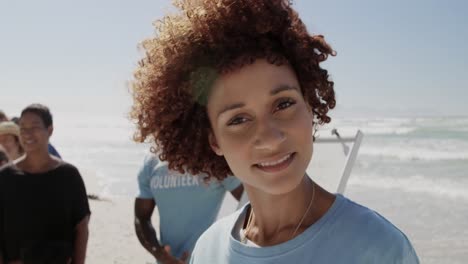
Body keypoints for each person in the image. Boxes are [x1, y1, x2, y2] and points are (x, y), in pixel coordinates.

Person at [129, 0, 420, 263]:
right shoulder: (208, 252)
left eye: (283, 104)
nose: (270, 138)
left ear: (309, 103)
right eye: (238, 119)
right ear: (214, 140)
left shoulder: (380, 250)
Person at [0, 104, 90, 264]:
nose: (28, 133)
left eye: (34, 127)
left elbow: (81, 227)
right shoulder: (5, 177)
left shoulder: (69, 176)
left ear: (50, 130)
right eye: (23, 128)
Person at [134, 154, 243, 264]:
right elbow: (141, 218)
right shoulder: (151, 162)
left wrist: (231, 245)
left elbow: (253, 204)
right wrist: (160, 254)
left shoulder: (214, 160)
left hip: (208, 258)